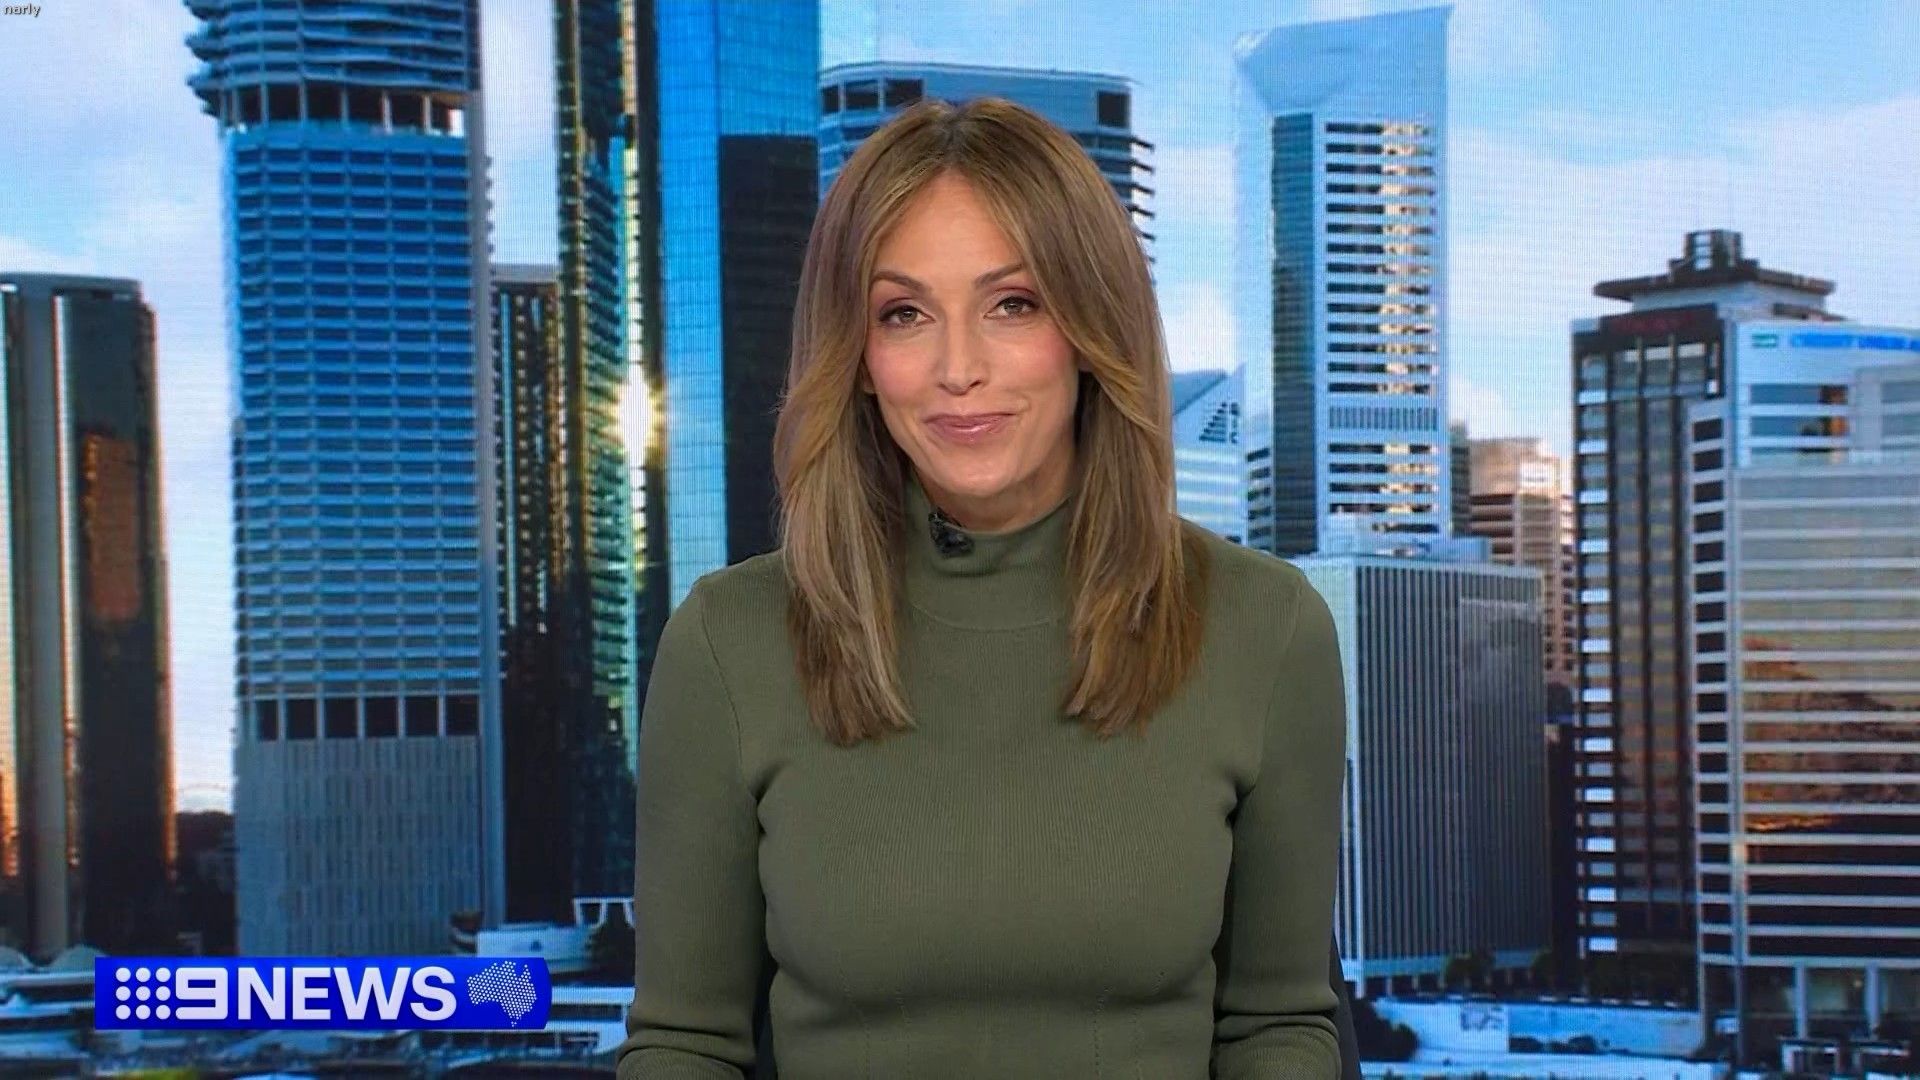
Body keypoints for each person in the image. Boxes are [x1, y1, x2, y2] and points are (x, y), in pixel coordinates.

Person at [615, 95, 1348, 1079]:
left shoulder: (1265, 628)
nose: (958, 369)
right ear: (858, 358)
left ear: (1090, 327)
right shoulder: (728, 641)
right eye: (904, 314)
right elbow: (686, 1046)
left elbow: (1277, 1027)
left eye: (1014, 305)